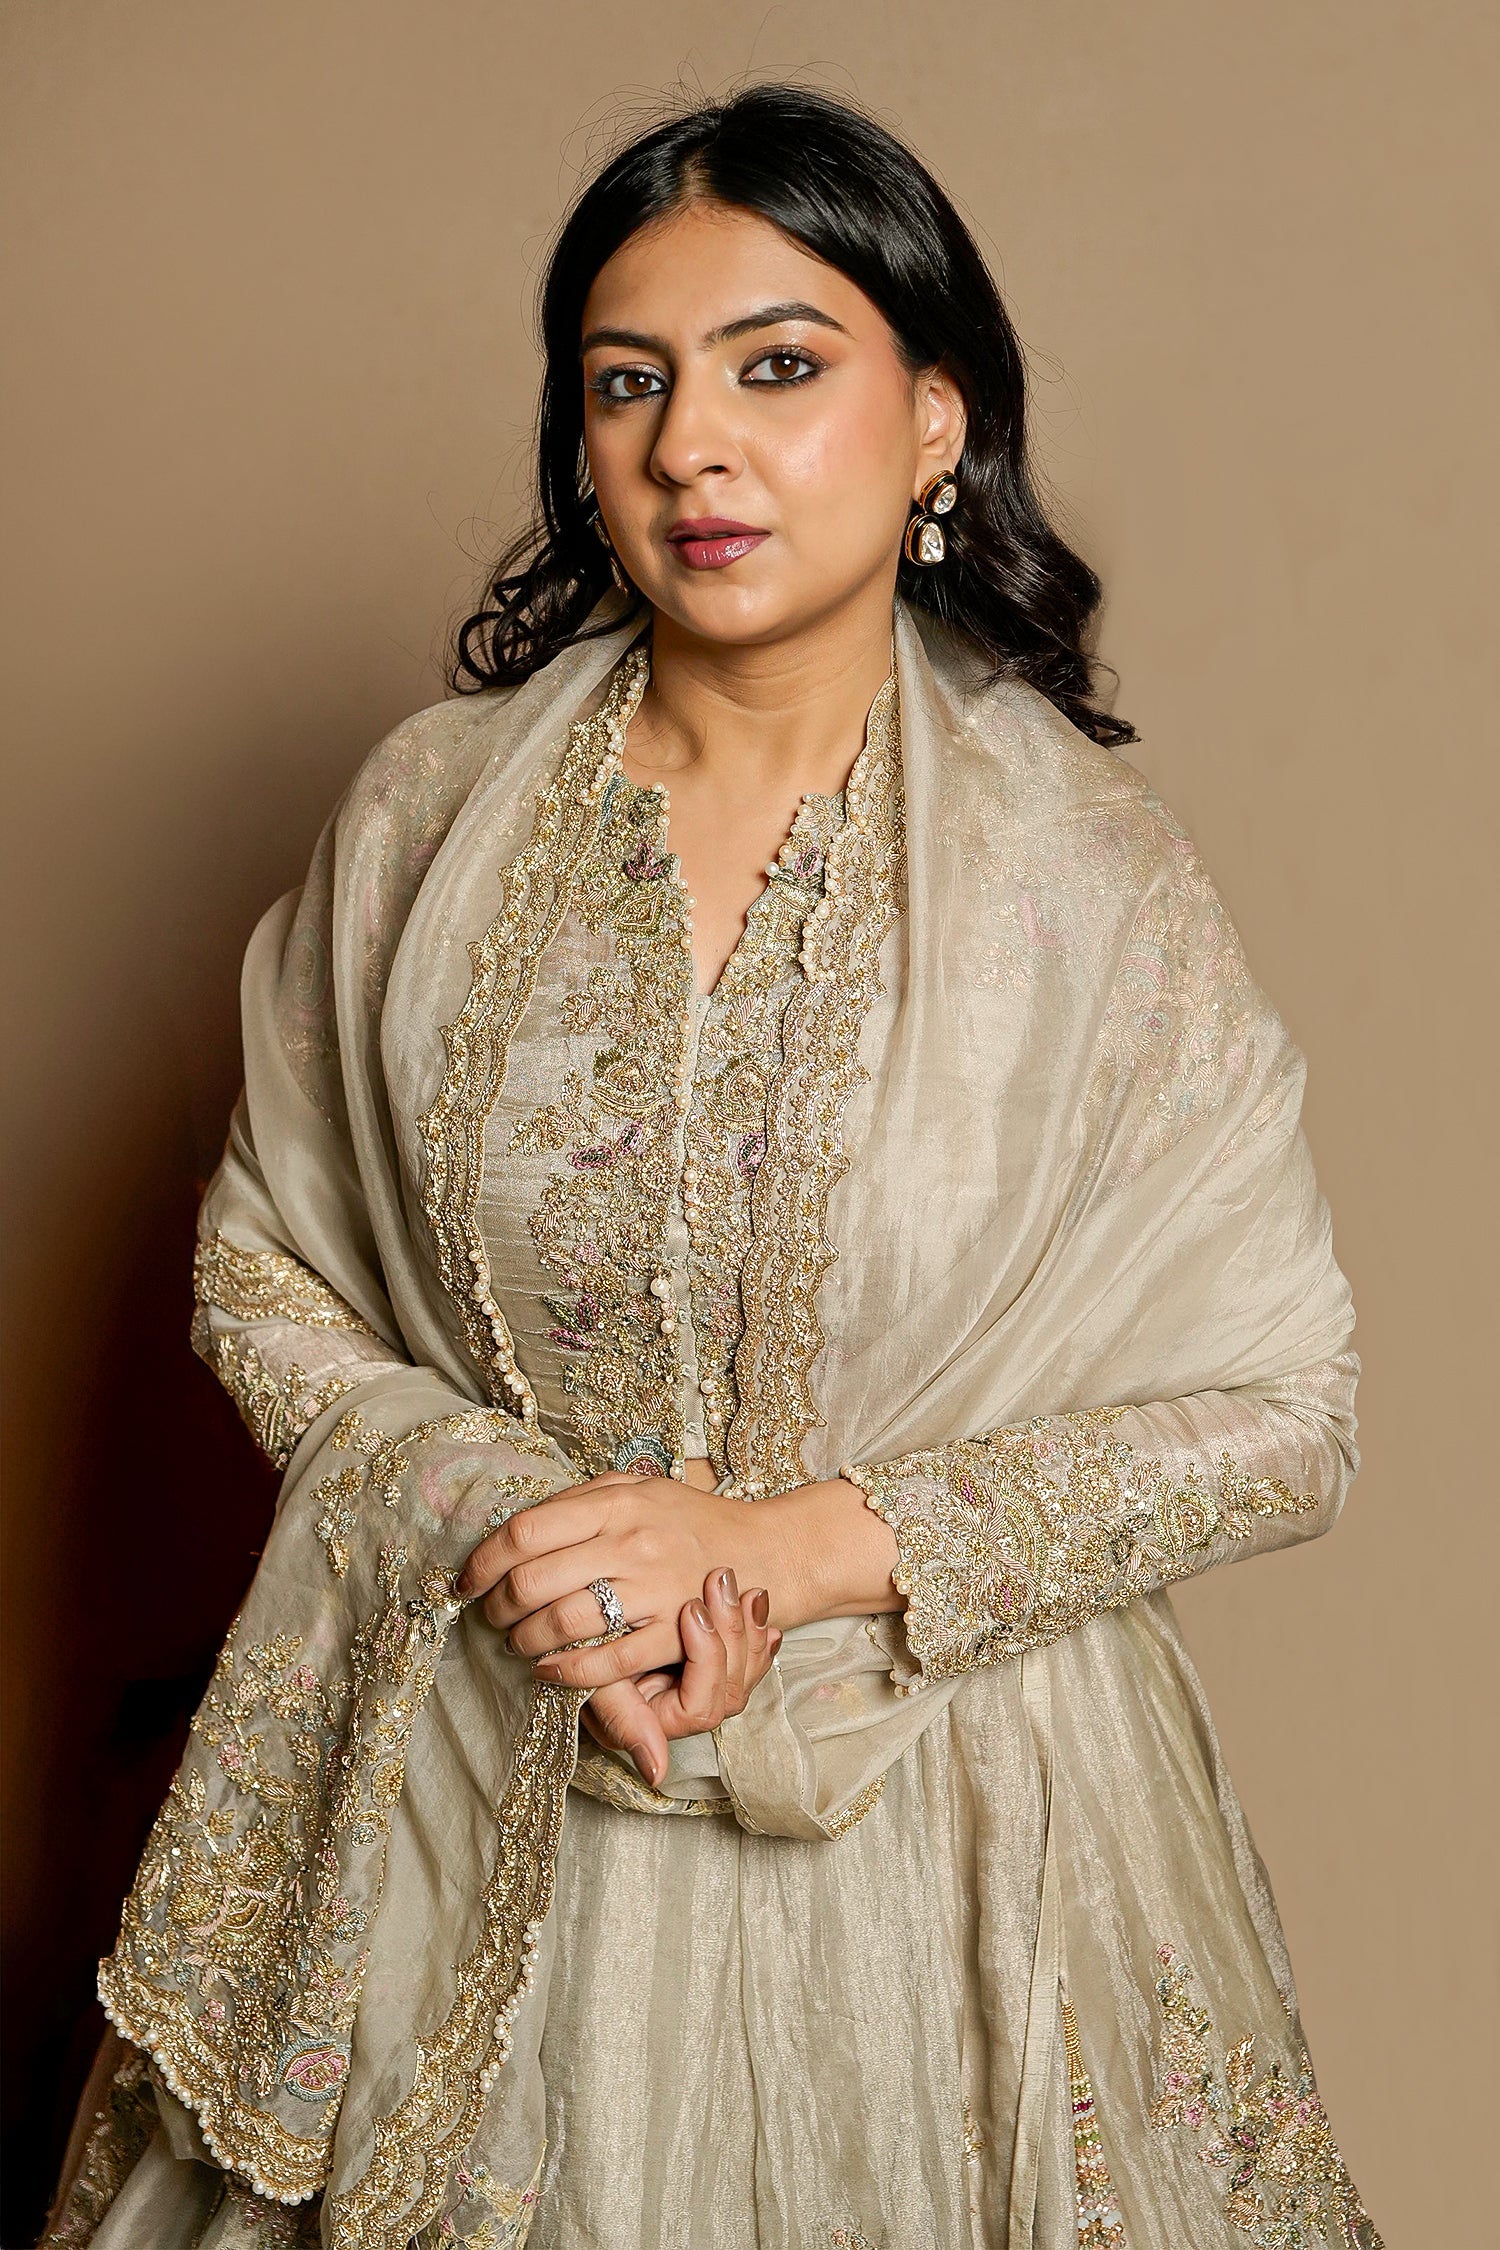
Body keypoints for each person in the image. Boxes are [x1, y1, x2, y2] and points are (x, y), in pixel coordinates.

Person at [47, 83, 1384, 2250]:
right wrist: (516, 1528)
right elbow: (263, 1266)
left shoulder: (1086, 885)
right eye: (627, 384)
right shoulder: (429, 826)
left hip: (957, 1860)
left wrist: (778, 1548)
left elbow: (1284, 1412)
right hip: (486, 1796)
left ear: (937, 420)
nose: (691, 446)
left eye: (778, 368)